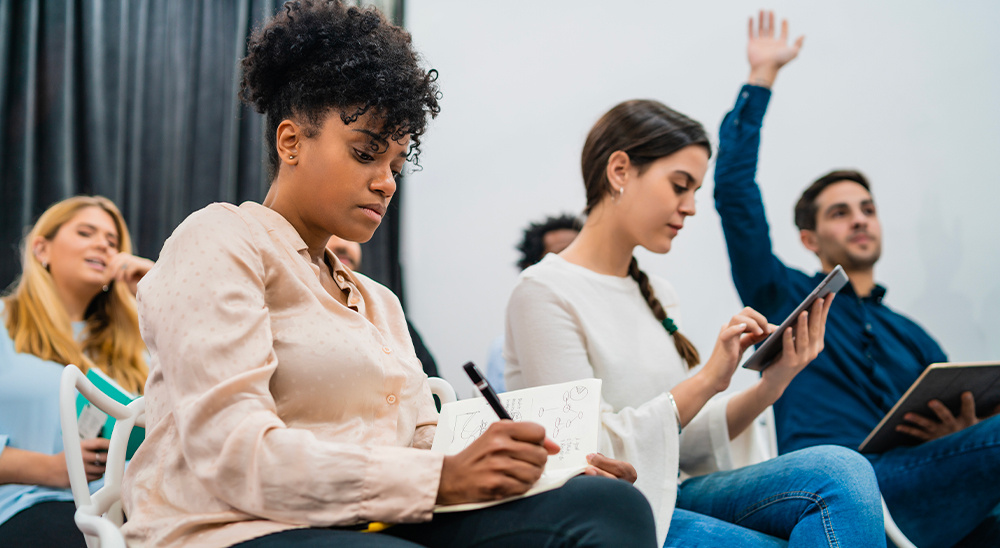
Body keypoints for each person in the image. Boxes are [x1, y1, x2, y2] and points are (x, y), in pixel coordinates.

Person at [121, 2, 656, 547]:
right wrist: (443, 477)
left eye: (396, 165)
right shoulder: (219, 239)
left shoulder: (378, 303)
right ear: (290, 142)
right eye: (365, 154)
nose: (386, 183)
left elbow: (427, 445)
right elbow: (229, 451)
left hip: (380, 522)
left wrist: (542, 475)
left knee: (604, 505)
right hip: (233, 529)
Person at [504, 81, 887, 546]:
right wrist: (708, 378)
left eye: (696, 190)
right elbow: (588, 452)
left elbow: (679, 440)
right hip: (612, 506)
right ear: (620, 170)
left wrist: (774, 382)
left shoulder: (658, 294)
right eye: (680, 186)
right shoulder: (543, 292)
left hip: (675, 489)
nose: (690, 207)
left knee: (842, 470)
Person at [713, 11, 1000, 547]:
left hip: (927, 487)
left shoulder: (913, 335)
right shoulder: (784, 295)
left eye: (867, 208)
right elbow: (734, 196)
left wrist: (964, 435)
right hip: (843, 487)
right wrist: (762, 79)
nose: (861, 218)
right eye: (840, 212)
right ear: (809, 239)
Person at [0, 195, 152, 547]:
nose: (103, 244)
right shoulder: (4, 325)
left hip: (132, 514)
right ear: (42, 249)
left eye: (112, 242)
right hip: (31, 507)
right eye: (86, 232)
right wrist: (51, 469)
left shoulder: (139, 343)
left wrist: (153, 293)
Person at [486, 214, 582, 391]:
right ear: (532, 267)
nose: (573, 264)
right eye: (561, 254)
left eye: (580, 253)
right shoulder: (501, 351)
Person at [326, 235, 439, 378]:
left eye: (350, 236)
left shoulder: (390, 312)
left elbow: (436, 384)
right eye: (329, 234)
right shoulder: (297, 313)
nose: (342, 244)